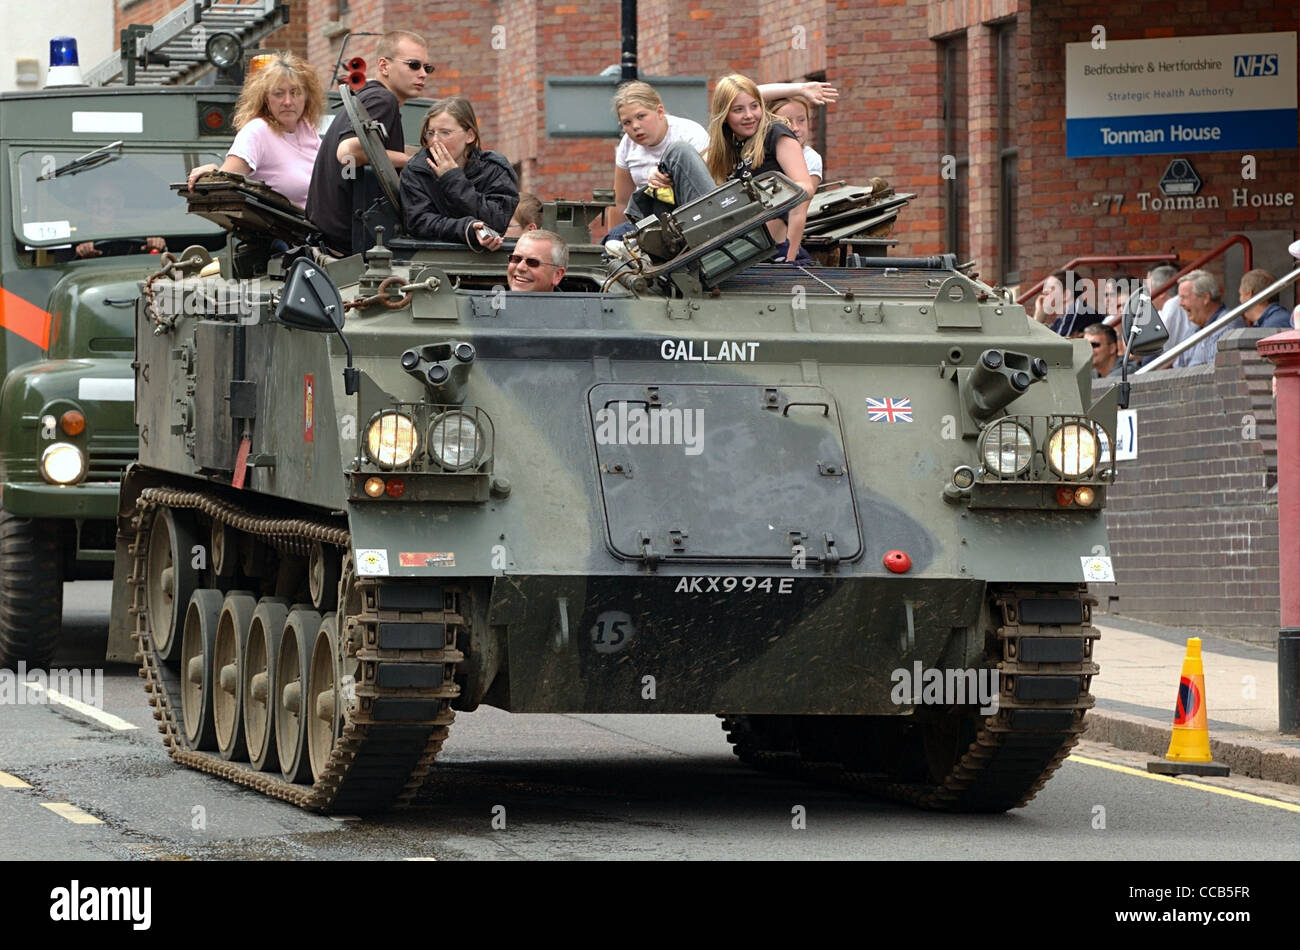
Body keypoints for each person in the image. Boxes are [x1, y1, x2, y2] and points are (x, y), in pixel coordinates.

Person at [306, 30, 430, 256]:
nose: (423, 74)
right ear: (384, 66)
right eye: (414, 65)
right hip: (348, 252)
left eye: (426, 68)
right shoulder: (383, 99)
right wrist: (415, 161)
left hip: (332, 246)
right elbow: (348, 151)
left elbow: (374, 150)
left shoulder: (368, 98)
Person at [185, 52, 324, 208]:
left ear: (307, 97)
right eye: (278, 94)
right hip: (278, 230)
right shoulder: (257, 131)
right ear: (265, 99)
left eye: (295, 92)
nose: (288, 101)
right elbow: (224, 184)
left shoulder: (306, 128)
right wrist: (214, 172)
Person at [399, 97, 517, 250]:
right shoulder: (416, 170)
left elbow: (497, 221)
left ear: (470, 136)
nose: (435, 140)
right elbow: (418, 222)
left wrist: (452, 177)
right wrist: (466, 228)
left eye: (445, 133)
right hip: (430, 258)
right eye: (430, 133)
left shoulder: (494, 169)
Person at [607, 81, 710, 241]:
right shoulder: (627, 145)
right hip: (650, 221)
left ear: (660, 111)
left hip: (691, 213)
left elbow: (705, 185)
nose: (635, 126)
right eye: (627, 122)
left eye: (641, 116)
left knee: (679, 150)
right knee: (615, 236)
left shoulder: (690, 133)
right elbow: (621, 202)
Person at [74, 179, 165, 258]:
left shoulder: (133, 234)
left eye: (109, 201)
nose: (102, 206)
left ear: (119, 205)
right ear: (87, 204)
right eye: (95, 201)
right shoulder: (75, 236)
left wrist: (156, 243)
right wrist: (82, 251)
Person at [1173, 269, 1242, 368]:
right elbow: (1177, 369)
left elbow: (1215, 374)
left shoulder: (1228, 327)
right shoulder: (1192, 330)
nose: (1181, 303)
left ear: (1205, 298)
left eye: (1184, 297)